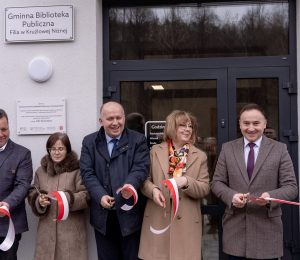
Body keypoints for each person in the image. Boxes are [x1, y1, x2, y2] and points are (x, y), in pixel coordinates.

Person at [211, 103, 298, 260]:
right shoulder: (228, 149)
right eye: (246, 123)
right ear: (240, 124)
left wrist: (269, 197)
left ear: (264, 124)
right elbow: (217, 182)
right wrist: (231, 196)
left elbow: (291, 187)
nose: (251, 128)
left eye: (256, 123)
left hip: (267, 233)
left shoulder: (280, 149)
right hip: (235, 233)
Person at [80, 101, 150, 260]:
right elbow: (87, 173)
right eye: (110, 118)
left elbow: (141, 167)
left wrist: (129, 186)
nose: (115, 122)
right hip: (102, 216)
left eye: (118, 117)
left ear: (124, 118)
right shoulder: (89, 142)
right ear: (101, 121)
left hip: (130, 214)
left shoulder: (138, 140)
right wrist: (100, 196)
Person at [138, 110, 210, 260]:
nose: (187, 129)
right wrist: (153, 191)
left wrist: (186, 182)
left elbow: (204, 188)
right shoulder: (154, 151)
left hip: (187, 221)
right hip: (158, 215)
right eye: (182, 125)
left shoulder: (200, 155)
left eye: (190, 126)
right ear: (172, 127)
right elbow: (144, 180)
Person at [28, 132, 90, 260]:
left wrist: (67, 199)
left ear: (67, 150)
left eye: (61, 149)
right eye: (53, 149)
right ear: (48, 150)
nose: (56, 153)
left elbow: (86, 195)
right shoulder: (41, 171)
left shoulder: (77, 170)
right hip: (46, 232)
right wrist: (39, 201)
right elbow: (33, 191)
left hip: (71, 232)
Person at [0, 109, 33, 260]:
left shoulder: (22, 154)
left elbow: (23, 185)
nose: (1, 134)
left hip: (8, 225)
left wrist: (6, 204)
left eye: (4, 129)